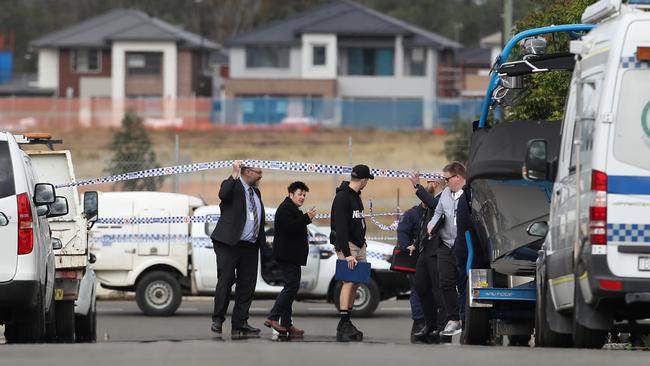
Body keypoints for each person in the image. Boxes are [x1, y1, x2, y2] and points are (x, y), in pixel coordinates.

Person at [210, 160, 266, 340]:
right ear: (247, 172)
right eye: (259, 172)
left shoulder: (256, 191)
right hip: (229, 243)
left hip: (250, 245)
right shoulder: (232, 186)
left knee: (247, 286)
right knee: (226, 281)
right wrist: (234, 173)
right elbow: (223, 194)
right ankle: (218, 319)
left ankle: (240, 323)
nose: (261, 176)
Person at [265, 181, 317, 337]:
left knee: (292, 287)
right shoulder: (286, 208)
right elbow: (290, 227)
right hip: (287, 255)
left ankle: (286, 323)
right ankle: (273, 317)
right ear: (291, 194)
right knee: (291, 287)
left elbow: (295, 227)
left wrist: (305, 218)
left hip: (292, 256)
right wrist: (307, 217)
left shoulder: (293, 208)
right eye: (300, 194)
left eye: (304, 195)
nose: (302, 197)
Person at [330, 164, 373, 342]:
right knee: (348, 282)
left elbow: (356, 221)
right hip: (348, 246)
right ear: (363, 180)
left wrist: (362, 241)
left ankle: (348, 319)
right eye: (367, 180)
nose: (366, 183)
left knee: (357, 282)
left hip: (359, 245)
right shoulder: (342, 197)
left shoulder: (356, 196)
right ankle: (343, 322)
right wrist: (347, 254)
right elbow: (340, 227)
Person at [426, 162, 467, 337]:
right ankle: (453, 319)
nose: (444, 182)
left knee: (464, 283)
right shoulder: (444, 195)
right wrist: (431, 225)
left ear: (458, 178)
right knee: (445, 281)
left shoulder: (470, 194)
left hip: (464, 245)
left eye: (447, 178)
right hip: (445, 244)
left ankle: (467, 318)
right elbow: (437, 213)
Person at [406, 173, 447, 342]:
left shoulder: (443, 198)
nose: (426, 183)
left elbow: (435, 206)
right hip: (425, 250)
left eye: (429, 181)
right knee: (421, 286)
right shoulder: (431, 200)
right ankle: (430, 324)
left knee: (438, 291)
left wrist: (417, 187)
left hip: (437, 251)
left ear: (436, 183)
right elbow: (425, 224)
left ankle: (442, 327)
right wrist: (416, 243)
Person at [396, 203, 426, 341]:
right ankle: (419, 323)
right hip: (414, 260)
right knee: (417, 290)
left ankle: (429, 323)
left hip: (430, 258)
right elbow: (402, 233)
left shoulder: (434, 212)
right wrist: (407, 250)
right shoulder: (411, 214)